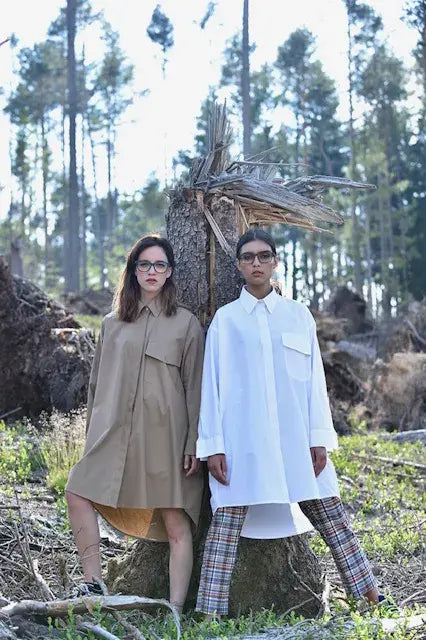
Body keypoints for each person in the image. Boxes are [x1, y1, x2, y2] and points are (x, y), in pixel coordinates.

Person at [196, 228, 382, 617]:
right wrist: (213, 446)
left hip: (295, 437)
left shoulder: (298, 316)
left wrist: (319, 439)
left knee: (331, 514)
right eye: (248, 257)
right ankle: (209, 614)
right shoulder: (226, 322)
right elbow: (210, 388)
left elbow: (315, 383)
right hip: (242, 440)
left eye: (264, 256)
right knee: (226, 520)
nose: (257, 263)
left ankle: (370, 598)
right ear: (239, 266)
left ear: (276, 262)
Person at [66, 234, 204, 612]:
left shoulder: (186, 324)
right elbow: (96, 386)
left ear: (170, 272)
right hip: (113, 435)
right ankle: (93, 584)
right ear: (133, 271)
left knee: (176, 521)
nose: (151, 271)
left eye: (160, 265)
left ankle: (174, 609)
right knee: (77, 491)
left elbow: (195, 388)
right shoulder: (112, 324)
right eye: (144, 264)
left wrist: (193, 442)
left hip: (167, 438)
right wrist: (92, 436)